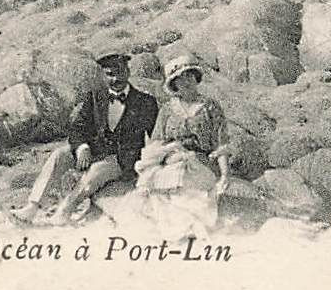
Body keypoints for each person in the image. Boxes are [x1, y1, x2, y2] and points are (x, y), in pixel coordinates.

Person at [13, 49, 158, 224]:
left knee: (97, 171)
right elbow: (77, 128)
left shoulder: (145, 102)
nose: (116, 79)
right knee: (59, 155)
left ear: (127, 71)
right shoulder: (96, 98)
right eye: (110, 74)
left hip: (123, 159)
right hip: (96, 150)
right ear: (103, 76)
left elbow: (156, 136)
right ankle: (33, 206)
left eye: (119, 72)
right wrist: (83, 147)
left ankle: (65, 210)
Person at [134, 55, 236, 229]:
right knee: (161, 188)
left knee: (188, 192)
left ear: (197, 77)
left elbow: (221, 145)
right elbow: (156, 143)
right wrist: (171, 149)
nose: (187, 81)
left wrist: (225, 175)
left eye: (190, 75)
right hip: (172, 161)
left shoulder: (210, 107)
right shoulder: (167, 110)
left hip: (202, 163)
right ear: (174, 84)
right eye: (180, 78)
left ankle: (189, 226)